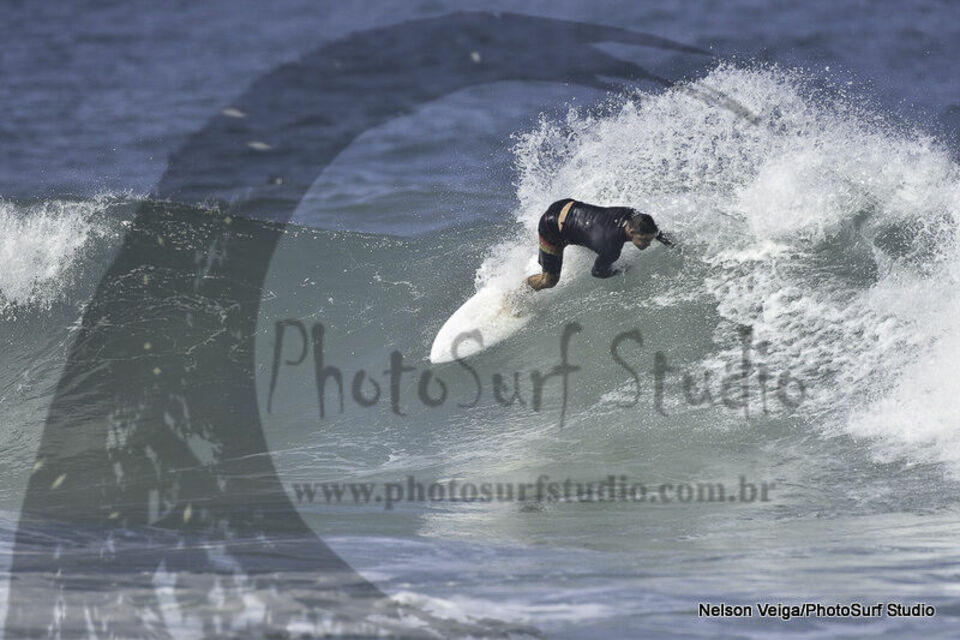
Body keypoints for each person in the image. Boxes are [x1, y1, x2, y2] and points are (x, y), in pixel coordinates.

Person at [526, 198, 672, 290]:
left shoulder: (633, 215)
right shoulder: (611, 248)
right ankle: (522, 290)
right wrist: (622, 270)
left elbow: (653, 230)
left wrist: (673, 245)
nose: (648, 244)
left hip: (565, 205)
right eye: (645, 240)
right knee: (549, 281)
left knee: (589, 237)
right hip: (552, 227)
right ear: (631, 231)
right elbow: (597, 272)